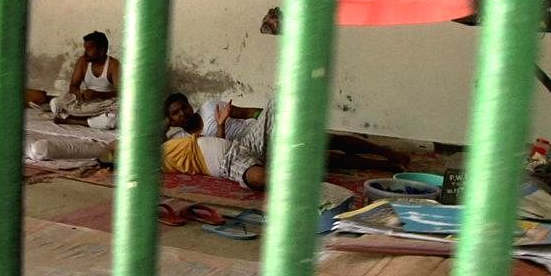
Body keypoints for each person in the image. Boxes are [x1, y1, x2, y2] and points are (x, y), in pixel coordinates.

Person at [162, 92, 411, 171]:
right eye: (175, 113)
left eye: (182, 107)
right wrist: (223, 124)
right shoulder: (185, 140)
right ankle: (386, 167)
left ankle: (384, 151)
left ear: (189, 104)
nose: (182, 113)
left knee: (325, 139)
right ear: (171, 121)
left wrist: (275, 119)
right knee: (319, 156)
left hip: (263, 131)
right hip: (251, 151)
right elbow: (222, 151)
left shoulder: (208, 107)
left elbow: (250, 113)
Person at [162, 111, 267, 190]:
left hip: (241, 145)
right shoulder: (160, 156)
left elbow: (218, 143)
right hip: (228, 161)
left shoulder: (177, 142)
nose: (182, 113)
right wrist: (165, 123)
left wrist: (220, 125)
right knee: (258, 177)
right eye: (175, 113)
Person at [69, 31, 119, 101]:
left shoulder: (113, 64)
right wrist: (79, 94)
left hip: (107, 103)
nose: (85, 52)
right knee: (56, 102)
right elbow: (73, 87)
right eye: (85, 48)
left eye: (89, 49)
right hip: (88, 103)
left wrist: (98, 94)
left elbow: (122, 93)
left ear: (101, 50)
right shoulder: (82, 61)